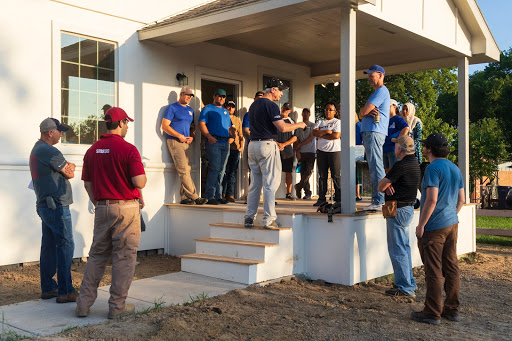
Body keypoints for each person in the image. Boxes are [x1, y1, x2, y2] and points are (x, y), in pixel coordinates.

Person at [76, 107, 147, 319]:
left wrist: (100, 203)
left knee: (97, 255)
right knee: (124, 257)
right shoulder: (128, 149)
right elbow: (139, 182)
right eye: (127, 123)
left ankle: (83, 304)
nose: (127, 127)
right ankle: (117, 308)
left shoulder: (92, 150)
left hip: (102, 207)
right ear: (122, 122)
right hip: (126, 208)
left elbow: (88, 184)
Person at [411, 133, 465, 325]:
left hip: (434, 227)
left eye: (425, 146)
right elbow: (462, 200)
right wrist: (451, 214)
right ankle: (452, 309)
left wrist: (422, 225)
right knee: (451, 267)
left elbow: (432, 199)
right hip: (452, 224)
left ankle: (432, 312)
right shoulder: (455, 168)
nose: (423, 149)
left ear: (430, 149)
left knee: (433, 270)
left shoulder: (432, 169)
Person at [244, 79, 306, 229]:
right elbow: (282, 128)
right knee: (270, 183)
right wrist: (299, 124)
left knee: (255, 184)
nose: (281, 94)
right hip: (267, 144)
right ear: (272, 89)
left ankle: (249, 217)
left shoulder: (253, 105)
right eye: (280, 90)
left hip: (252, 145)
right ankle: (269, 219)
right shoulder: (270, 105)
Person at [29, 118, 78, 303]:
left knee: (49, 246)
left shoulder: (37, 149)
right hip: (56, 206)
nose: (61, 134)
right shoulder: (49, 151)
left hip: (46, 205)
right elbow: (70, 172)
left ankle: (49, 288)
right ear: (50, 132)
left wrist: (66, 167)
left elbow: (66, 169)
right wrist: (68, 167)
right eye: (60, 131)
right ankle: (65, 291)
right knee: (65, 245)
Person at [377, 135, 420, 297]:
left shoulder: (400, 166)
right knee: (405, 248)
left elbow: (381, 186)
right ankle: (408, 282)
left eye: (396, 146)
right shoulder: (414, 164)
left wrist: (387, 184)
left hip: (398, 210)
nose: (394, 148)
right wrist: (390, 184)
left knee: (398, 250)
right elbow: (388, 185)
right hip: (407, 208)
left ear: (400, 149)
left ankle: (405, 287)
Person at [161, 86, 207, 205]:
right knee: (183, 170)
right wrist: (179, 136)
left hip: (187, 143)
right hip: (175, 142)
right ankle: (195, 197)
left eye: (190, 96)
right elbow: (165, 126)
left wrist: (192, 136)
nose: (188, 97)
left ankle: (184, 197)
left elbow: (191, 126)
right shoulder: (172, 108)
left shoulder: (190, 110)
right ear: (181, 94)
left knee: (187, 170)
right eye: (187, 95)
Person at [359, 64, 390, 211]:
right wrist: (363, 112)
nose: (370, 79)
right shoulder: (376, 92)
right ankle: (378, 199)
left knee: (376, 166)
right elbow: (361, 113)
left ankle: (379, 200)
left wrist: (364, 112)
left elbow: (363, 111)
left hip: (374, 132)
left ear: (381, 75)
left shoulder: (381, 91)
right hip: (371, 132)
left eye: (372, 76)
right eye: (369, 77)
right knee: (374, 165)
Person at [198, 89, 232, 205]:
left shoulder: (225, 111)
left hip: (225, 143)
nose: (222, 98)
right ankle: (210, 196)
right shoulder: (207, 109)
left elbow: (229, 127)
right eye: (220, 96)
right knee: (215, 169)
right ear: (214, 96)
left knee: (222, 171)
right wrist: (209, 136)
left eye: (224, 96)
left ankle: (218, 195)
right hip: (214, 142)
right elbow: (201, 123)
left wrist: (231, 136)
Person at [312, 102, 341, 206]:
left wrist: (322, 133)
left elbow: (336, 135)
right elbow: (314, 133)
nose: (328, 111)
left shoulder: (337, 122)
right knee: (322, 176)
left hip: (334, 152)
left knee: (336, 176)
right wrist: (327, 132)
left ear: (335, 112)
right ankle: (321, 199)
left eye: (330, 110)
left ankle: (338, 199)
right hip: (321, 151)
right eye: (326, 109)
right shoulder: (320, 122)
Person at [242, 91, 264, 203]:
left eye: (262, 97)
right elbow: (245, 130)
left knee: (266, 171)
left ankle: (265, 197)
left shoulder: (267, 113)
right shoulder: (249, 114)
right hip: (252, 144)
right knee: (253, 171)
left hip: (266, 146)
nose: (260, 99)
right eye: (258, 97)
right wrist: (256, 137)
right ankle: (252, 197)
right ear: (254, 99)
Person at [221, 101, 243, 202]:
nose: (230, 109)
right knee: (223, 171)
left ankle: (230, 194)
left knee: (232, 172)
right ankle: (222, 193)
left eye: (232, 107)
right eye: (228, 107)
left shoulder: (237, 120)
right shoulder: (222, 117)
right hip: (224, 147)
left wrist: (241, 147)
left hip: (235, 149)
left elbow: (241, 135)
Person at [276, 102, 297, 200]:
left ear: (290, 111)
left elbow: (295, 137)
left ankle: (288, 193)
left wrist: (284, 144)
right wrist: (277, 144)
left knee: (288, 172)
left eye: (287, 109)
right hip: (275, 148)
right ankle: (271, 193)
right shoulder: (275, 120)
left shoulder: (291, 122)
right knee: (273, 171)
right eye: (284, 107)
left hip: (287, 150)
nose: (285, 110)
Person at [294, 108, 316, 200]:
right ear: (302, 114)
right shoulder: (299, 126)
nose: (306, 114)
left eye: (307, 112)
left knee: (309, 172)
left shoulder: (313, 125)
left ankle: (299, 186)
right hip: (301, 153)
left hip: (311, 152)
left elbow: (311, 138)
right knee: (303, 173)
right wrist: (297, 151)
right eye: (304, 112)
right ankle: (307, 193)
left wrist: (300, 144)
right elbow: (296, 139)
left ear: (309, 114)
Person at [383, 99, 409, 173]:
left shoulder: (397, 118)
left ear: (394, 107)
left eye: (388, 105)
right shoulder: (385, 119)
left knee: (393, 172)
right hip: (384, 148)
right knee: (386, 173)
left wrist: (398, 140)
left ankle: (395, 185)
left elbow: (406, 128)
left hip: (393, 149)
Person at [355, 113, 363, 201]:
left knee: (356, 172)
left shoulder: (359, 125)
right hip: (346, 150)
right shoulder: (346, 125)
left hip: (356, 150)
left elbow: (363, 137)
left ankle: (358, 194)